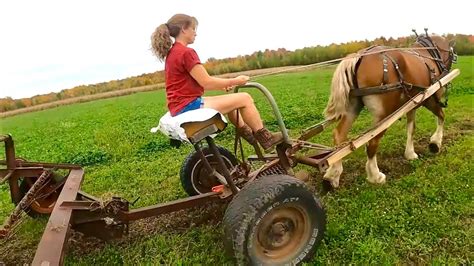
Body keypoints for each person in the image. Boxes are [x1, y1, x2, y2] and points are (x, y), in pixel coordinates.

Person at [150, 14, 283, 151]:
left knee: (234, 102)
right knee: (245, 98)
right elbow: (206, 82)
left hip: (181, 105)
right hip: (189, 105)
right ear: (184, 29)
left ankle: (249, 135)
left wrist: (225, 84)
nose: (196, 33)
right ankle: (266, 139)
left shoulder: (173, 53)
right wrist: (236, 80)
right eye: (193, 29)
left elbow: (192, 83)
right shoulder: (186, 52)